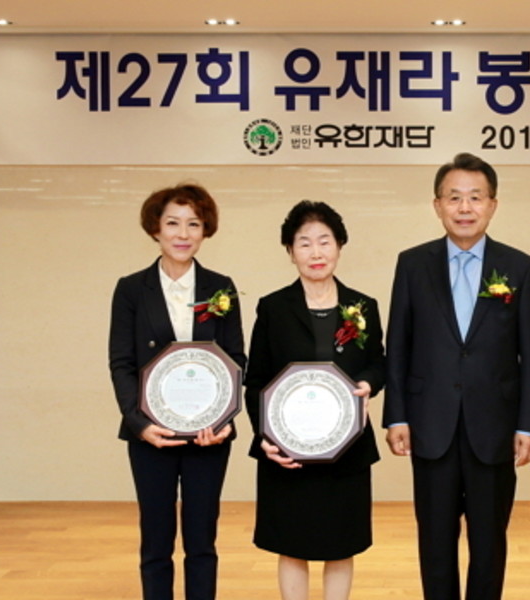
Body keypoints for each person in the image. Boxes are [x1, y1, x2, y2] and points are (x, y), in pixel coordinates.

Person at [383, 152, 530, 600]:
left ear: (493, 205)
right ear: (437, 205)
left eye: (476, 197)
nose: (465, 207)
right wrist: (396, 415)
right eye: (454, 197)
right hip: (429, 424)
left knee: (489, 543)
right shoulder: (412, 264)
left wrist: (528, 424)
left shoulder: (519, 267)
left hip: (494, 427)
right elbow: (398, 344)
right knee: (435, 543)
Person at [108, 184, 246, 600]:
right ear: (155, 228)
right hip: (151, 434)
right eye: (173, 223)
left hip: (209, 435)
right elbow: (121, 363)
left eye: (194, 224)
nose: (183, 234)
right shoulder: (131, 289)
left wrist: (224, 421)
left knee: (202, 541)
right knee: (156, 541)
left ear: (206, 231)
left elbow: (236, 359)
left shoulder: (221, 287)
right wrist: (139, 424)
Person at [244, 201, 385, 600]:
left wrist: (368, 384)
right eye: (304, 243)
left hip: (347, 448)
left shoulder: (363, 306)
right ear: (290, 251)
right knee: (291, 542)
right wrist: (266, 437)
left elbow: (379, 362)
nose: (316, 252)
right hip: (287, 448)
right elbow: (256, 380)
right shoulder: (273, 308)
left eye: (325, 241)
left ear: (339, 246)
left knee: (342, 542)